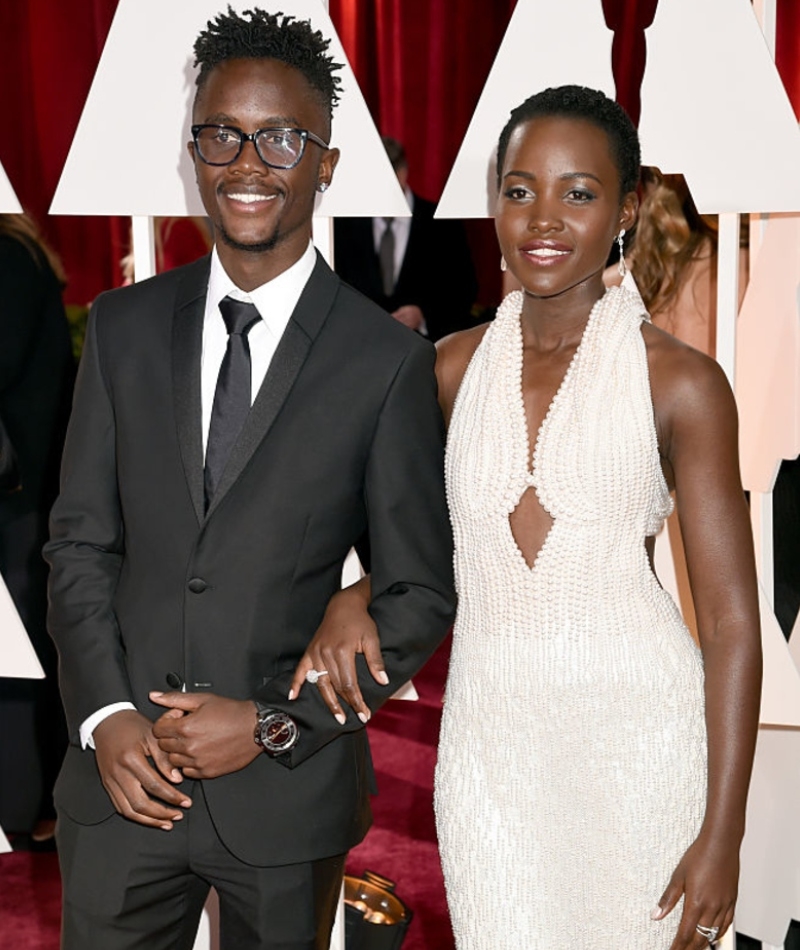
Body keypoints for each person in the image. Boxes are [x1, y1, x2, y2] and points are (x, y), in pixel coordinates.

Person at [292, 85, 762, 949]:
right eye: (519, 190)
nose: (544, 219)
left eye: (578, 193)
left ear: (628, 206)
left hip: (641, 752)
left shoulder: (685, 385)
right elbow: (403, 542)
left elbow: (732, 623)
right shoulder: (442, 370)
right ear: (493, 201)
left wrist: (724, 835)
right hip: (490, 756)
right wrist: (354, 594)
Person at [44, 9, 454, 950]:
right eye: (222, 133)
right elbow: (80, 546)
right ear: (195, 150)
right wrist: (106, 717)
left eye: (280, 137)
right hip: (121, 791)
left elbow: (418, 591)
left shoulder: (382, 362)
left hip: (284, 799)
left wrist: (274, 725)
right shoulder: (120, 328)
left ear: (327, 162)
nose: (247, 162)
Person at [0, 212, 74, 846]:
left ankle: (27, 809)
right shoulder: (20, 256)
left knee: (22, 658)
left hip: (19, 501)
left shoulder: (6, 259)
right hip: (23, 496)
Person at [333, 136, 479, 341]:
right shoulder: (343, 225)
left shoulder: (442, 223)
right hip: (360, 348)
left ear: (401, 174)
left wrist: (424, 316)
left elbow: (464, 288)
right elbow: (336, 286)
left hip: (427, 351)